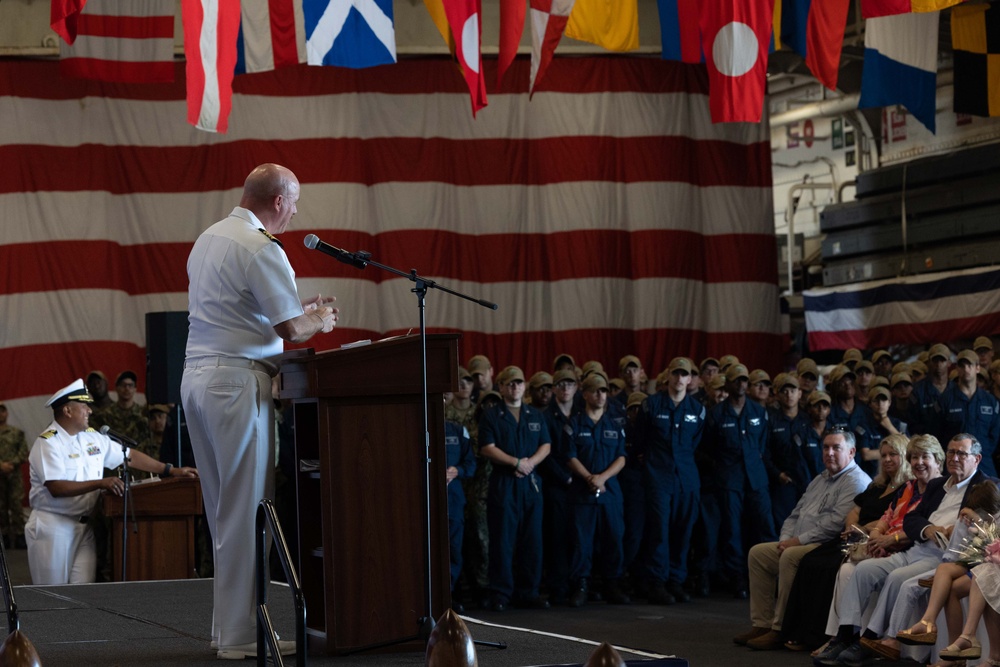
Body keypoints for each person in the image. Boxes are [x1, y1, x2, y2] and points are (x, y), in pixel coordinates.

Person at [180, 163, 338, 659]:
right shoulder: (261, 245)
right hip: (235, 385)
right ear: (277, 202)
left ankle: (229, 632)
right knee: (247, 512)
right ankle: (242, 635)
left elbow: (248, 312)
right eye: (294, 202)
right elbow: (293, 330)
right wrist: (322, 317)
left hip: (199, 379)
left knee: (226, 513)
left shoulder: (209, 237)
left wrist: (297, 313)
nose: (295, 211)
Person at [817, 434, 995, 666]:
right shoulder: (936, 485)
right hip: (916, 548)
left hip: (945, 557)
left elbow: (989, 523)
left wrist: (964, 522)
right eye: (951, 452)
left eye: (962, 453)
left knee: (897, 578)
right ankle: (845, 635)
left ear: (977, 458)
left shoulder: (985, 486)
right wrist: (928, 529)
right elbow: (911, 518)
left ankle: (869, 640)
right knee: (863, 570)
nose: (955, 458)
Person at [26, 379, 197, 586]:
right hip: (53, 526)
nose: (89, 410)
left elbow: (129, 455)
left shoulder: (91, 438)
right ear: (68, 411)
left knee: (83, 593)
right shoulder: (48, 443)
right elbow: (56, 487)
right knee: (51, 596)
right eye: (84, 406)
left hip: (84, 526)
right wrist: (101, 483)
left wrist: (170, 470)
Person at [734, 429, 871, 650]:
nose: (829, 453)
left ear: (852, 451)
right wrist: (785, 539)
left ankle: (780, 628)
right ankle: (762, 624)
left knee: (789, 556)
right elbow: (795, 513)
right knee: (758, 553)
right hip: (798, 541)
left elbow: (834, 525)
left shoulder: (856, 481)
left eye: (837, 448)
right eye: (826, 447)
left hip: (827, 546)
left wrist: (796, 542)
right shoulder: (820, 478)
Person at [478, 366, 552, 611]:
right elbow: (487, 447)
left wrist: (530, 463)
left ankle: (528, 591)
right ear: (500, 387)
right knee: (503, 539)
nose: (515, 387)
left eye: (519, 383)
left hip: (530, 484)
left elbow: (546, 445)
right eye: (510, 383)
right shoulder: (492, 415)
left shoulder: (534, 414)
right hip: (504, 482)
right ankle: (501, 592)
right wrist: (516, 462)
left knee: (533, 540)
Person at [705, 363, 776, 598]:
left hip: (756, 478)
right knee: (732, 530)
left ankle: (770, 573)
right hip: (729, 479)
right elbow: (709, 447)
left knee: (764, 526)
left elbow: (763, 445)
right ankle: (736, 577)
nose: (742, 385)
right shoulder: (716, 414)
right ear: (727, 383)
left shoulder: (757, 411)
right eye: (737, 380)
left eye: (745, 380)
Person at [639, 357, 705, 605]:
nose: (679, 379)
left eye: (684, 375)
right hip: (659, 477)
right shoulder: (651, 405)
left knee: (683, 531)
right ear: (668, 376)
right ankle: (657, 582)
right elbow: (640, 440)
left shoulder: (697, 410)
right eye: (675, 374)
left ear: (690, 379)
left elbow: (696, 442)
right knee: (660, 531)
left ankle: (676, 580)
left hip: (687, 479)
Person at [564, 373, 630, 606]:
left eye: (603, 391)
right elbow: (570, 456)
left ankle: (612, 584)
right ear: (585, 395)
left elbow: (622, 457)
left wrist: (602, 478)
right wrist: (589, 477)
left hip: (610, 493)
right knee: (582, 543)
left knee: (614, 540)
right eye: (595, 391)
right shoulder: (574, 423)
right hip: (582, 494)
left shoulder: (615, 423)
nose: (600, 395)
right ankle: (581, 585)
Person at [937, 349, 1000, 476]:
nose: (966, 369)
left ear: (977, 368)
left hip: (984, 463)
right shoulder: (945, 400)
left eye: (969, 365)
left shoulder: (990, 401)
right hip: (954, 465)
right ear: (957, 369)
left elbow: (995, 435)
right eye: (962, 365)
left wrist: (980, 453)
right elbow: (937, 432)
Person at [444, 416, 476, 612]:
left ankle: (449, 594)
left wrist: (458, 470)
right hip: (422, 498)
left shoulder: (456, 429)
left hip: (453, 499)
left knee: (454, 548)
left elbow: (470, 463)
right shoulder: (414, 425)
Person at [0, 403, 28, 549]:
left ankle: (19, 536)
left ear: (7, 413)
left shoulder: (17, 432)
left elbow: (24, 452)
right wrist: (1, 465)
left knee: (16, 504)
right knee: (1, 506)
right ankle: (3, 536)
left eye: (2, 411)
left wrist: (11, 464)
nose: (0, 414)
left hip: (14, 474)